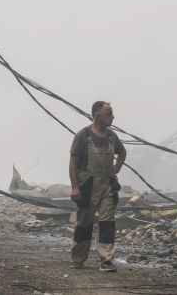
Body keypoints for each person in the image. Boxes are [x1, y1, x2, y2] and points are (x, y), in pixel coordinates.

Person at [69, 101, 126, 272]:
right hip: (87, 186)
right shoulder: (83, 135)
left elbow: (122, 152)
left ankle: (106, 259)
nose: (113, 117)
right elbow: (73, 162)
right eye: (109, 114)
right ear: (97, 116)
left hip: (107, 185)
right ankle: (78, 258)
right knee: (84, 223)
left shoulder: (111, 136)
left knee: (107, 222)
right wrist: (74, 187)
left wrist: (116, 168)